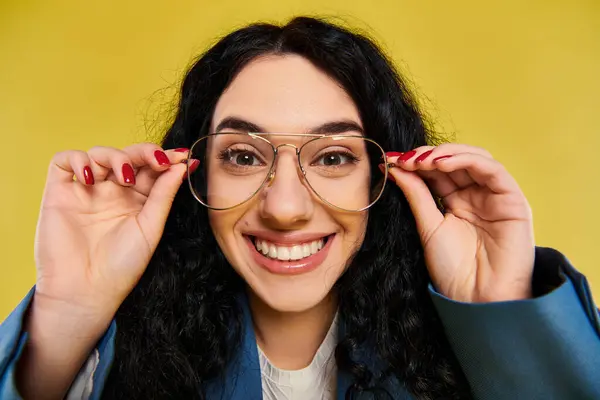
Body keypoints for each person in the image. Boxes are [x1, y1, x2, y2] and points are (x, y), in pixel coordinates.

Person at [1, 16, 599, 400]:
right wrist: (66, 318)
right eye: (242, 156)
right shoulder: (117, 362)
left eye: (334, 157)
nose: (285, 208)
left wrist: (501, 318)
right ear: (192, 173)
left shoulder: (465, 351)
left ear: (383, 178)